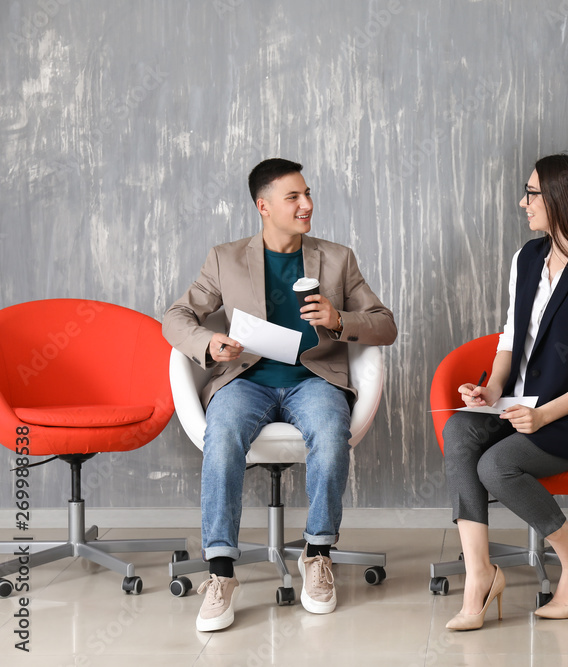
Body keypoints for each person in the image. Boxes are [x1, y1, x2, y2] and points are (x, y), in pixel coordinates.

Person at [162, 158, 397, 632]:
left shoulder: (337, 258)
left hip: (313, 379)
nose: (307, 204)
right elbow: (176, 316)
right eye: (294, 197)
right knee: (222, 434)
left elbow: (385, 324)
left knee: (332, 434)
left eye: (307, 194)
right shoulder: (225, 258)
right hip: (245, 380)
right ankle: (221, 573)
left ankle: (318, 554)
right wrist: (208, 343)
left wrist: (337, 319)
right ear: (263, 206)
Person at [443, 154, 568, 630]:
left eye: (531, 193)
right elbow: (511, 337)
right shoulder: (527, 258)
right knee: (459, 430)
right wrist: (491, 389)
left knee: (496, 464)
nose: (522, 202)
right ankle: (480, 575)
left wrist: (545, 417)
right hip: (518, 408)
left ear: (561, 199)